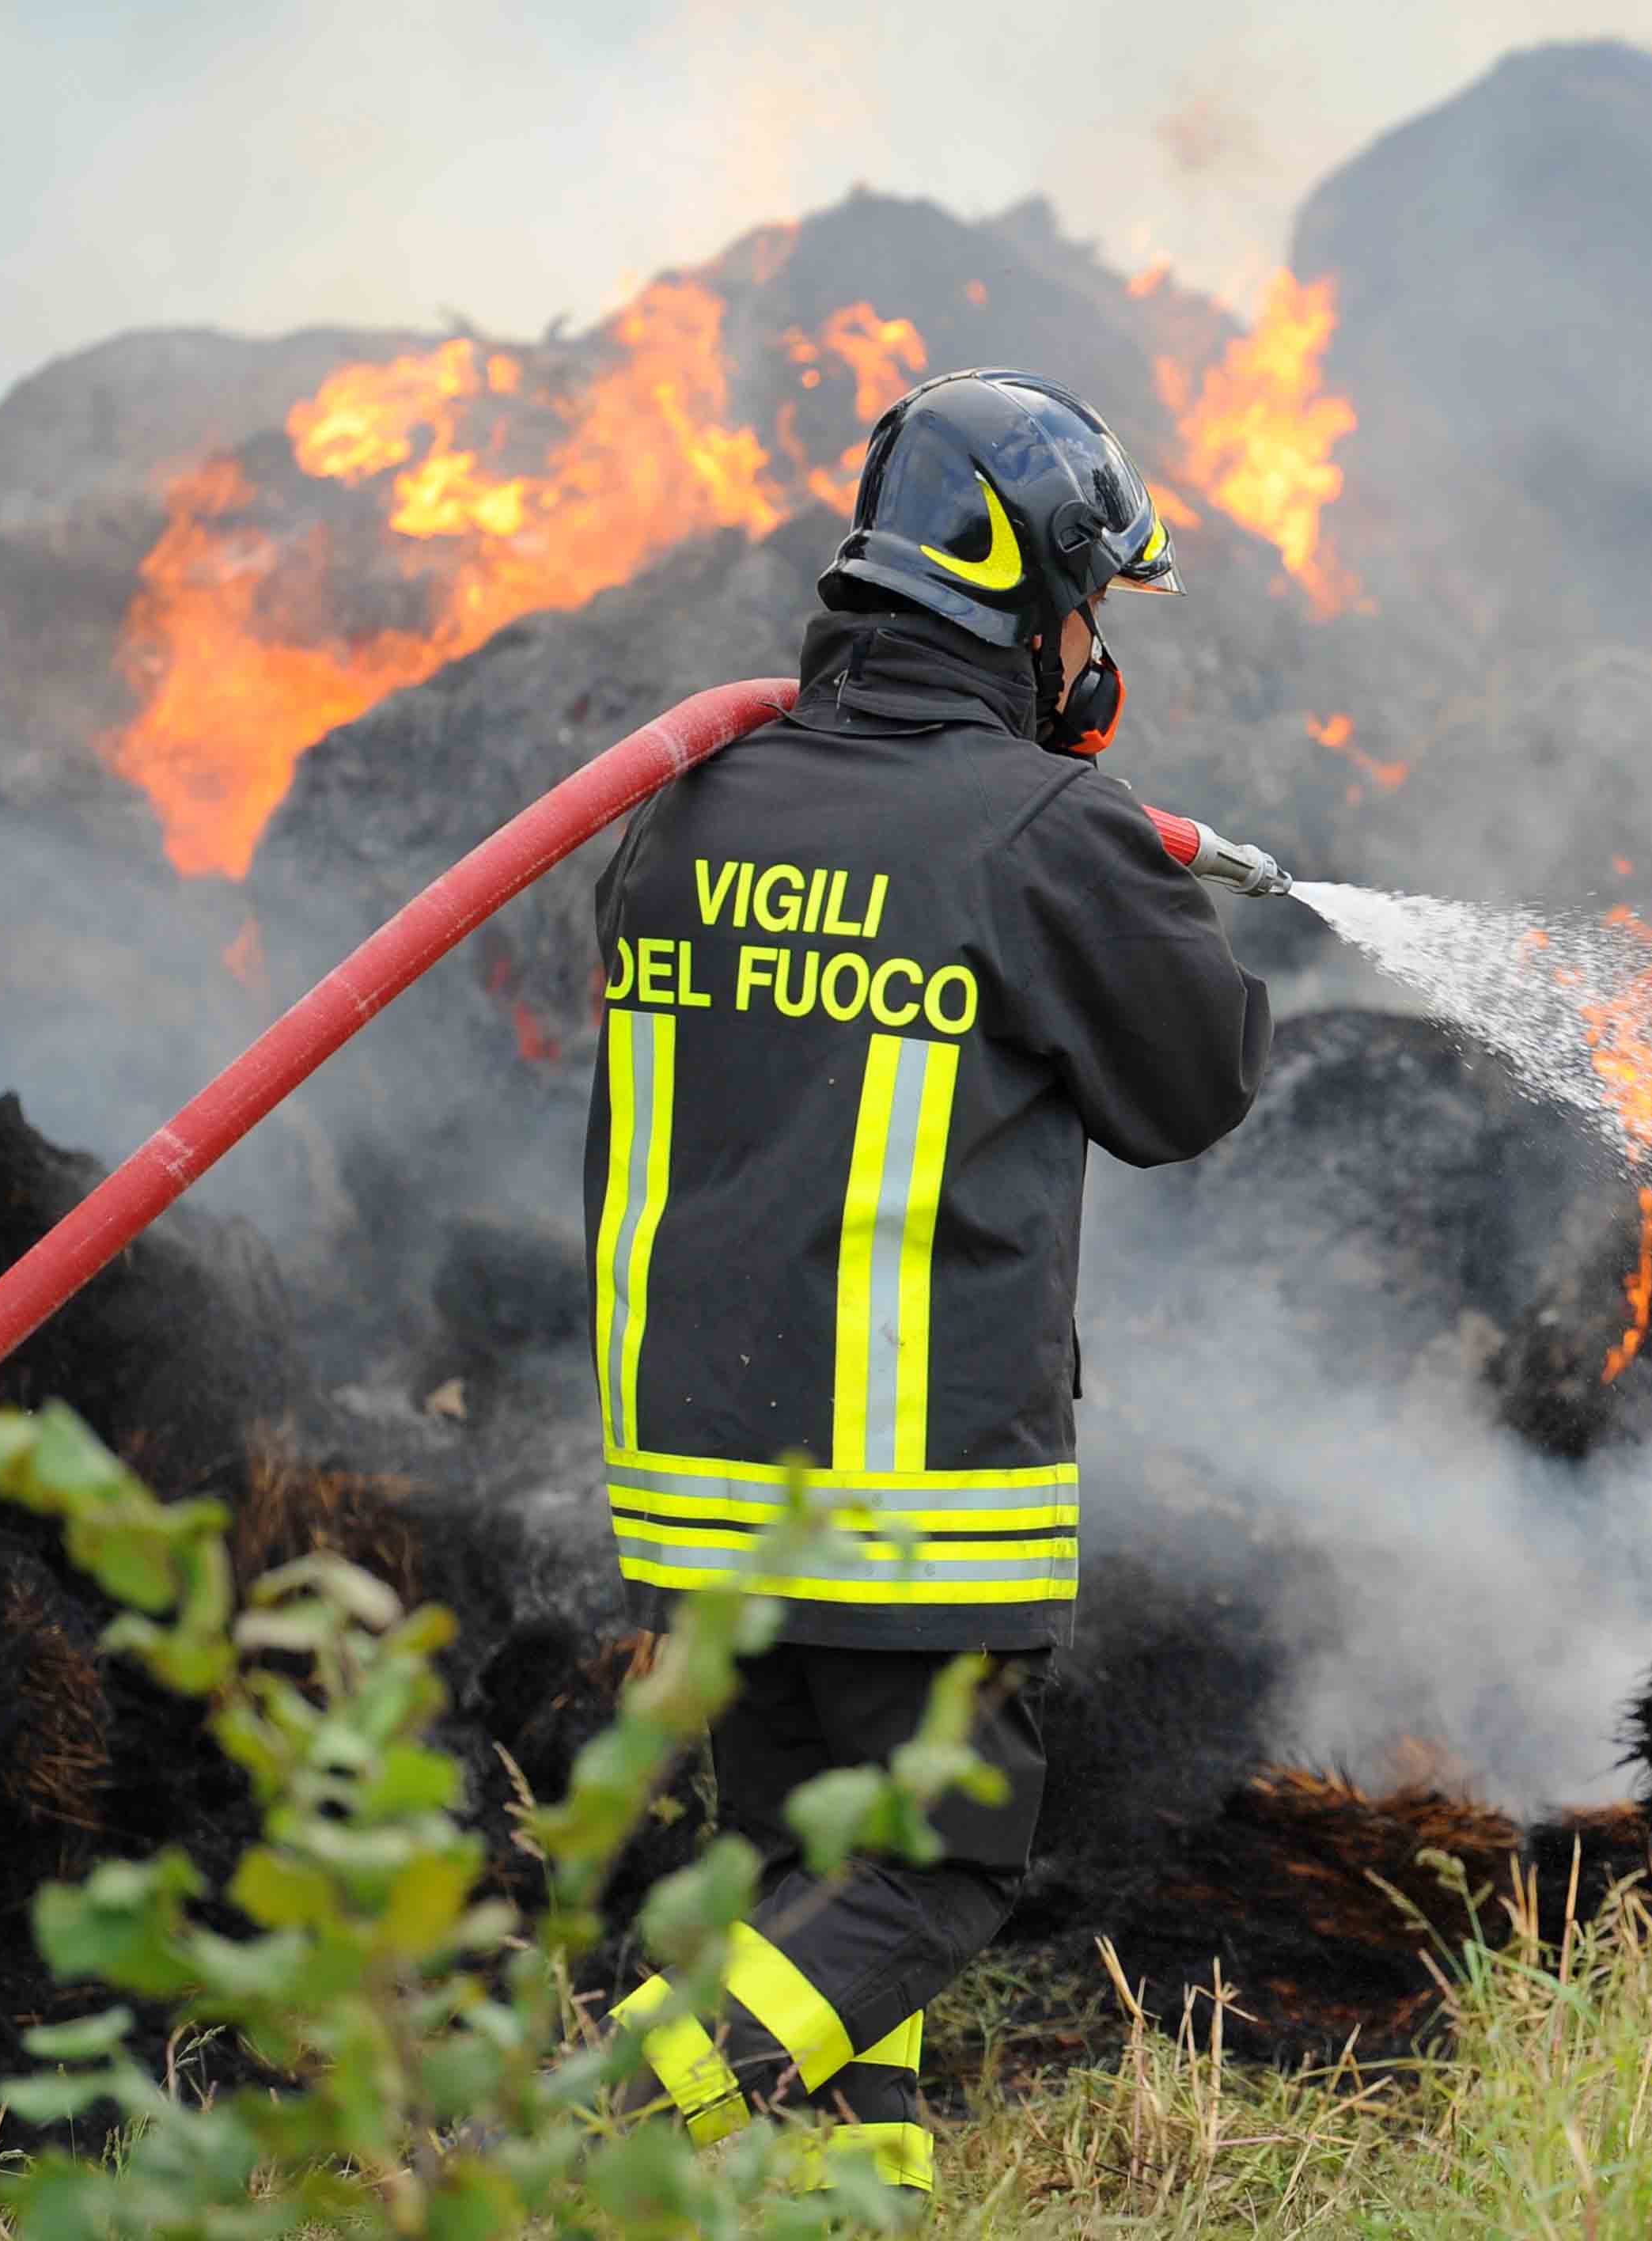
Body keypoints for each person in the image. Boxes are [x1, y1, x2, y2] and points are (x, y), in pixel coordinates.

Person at [582, 368, 1271, 2205]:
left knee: (803, 1877)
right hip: (905, 1491)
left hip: (698, 1484)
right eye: (1092, 607)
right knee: (933, 1866)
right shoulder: (1039, 834)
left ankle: (842, 2197)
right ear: (1021, 600)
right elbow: (1191, 1088)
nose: (1097, 651)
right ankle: (579, 2133)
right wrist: (1117, 869)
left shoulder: (693, 806)